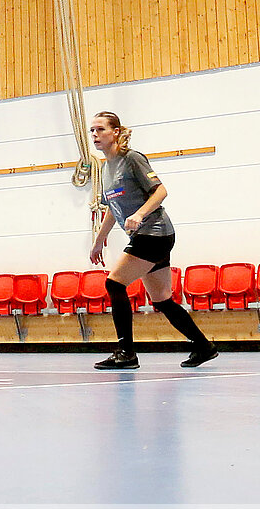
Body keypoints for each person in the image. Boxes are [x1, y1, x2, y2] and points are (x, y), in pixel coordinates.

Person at [88, 111, 217, 370]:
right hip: (146, 236)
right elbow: (113, 208)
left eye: (100, 129)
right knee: (161, 299)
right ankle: (203, 346)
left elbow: (161, 190)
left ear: (115, 132)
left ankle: (126, 353)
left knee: (114, 284)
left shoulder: (132, 159)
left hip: (154, 233)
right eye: (92, 131)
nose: (95, 135)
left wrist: (139, 213)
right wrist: (98, 240)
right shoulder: (105, 169)